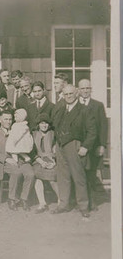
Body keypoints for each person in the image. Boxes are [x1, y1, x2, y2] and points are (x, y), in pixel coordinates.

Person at [52, 84, 96, 218]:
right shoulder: (61, 109)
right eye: (66, 94)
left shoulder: (84, 110)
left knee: (79, 177)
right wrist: (55, 143)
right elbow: (56, 127)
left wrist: (85, 147)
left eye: (71, 93)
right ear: (63, 95)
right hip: (60, 145)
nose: (69, 96)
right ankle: (63, 204)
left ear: (76, 93)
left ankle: (83, 206)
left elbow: (92, 131)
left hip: (74, 145)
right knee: (62, 176)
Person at [0, 111, 35, 211]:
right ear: (0, 120)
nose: (8, 122)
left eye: (10, 119)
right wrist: (7, 159)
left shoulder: (18, 129)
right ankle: (12, 198)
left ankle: (24, 199)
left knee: (31, 174)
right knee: (16, 172)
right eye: (6, 119)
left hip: (21, 159)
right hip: (6, 162)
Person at [78, 79, 108, 210]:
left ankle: (92, 202)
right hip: (79, 146)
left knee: (91, 174)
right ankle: (80, 201)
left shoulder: (98, 105)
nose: (85, 91)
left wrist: (102, 145)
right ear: (78, 90)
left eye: (87, 88)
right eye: (82, 88)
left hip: (93, 146)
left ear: (91, 89)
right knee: (80, 174)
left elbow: (103, 127)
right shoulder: (75, 104)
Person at [31, 114, 59, 213]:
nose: (44, 125)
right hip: (38, 160)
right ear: (38, 124)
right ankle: (42, 203)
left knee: (52, 176)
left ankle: (61, 201)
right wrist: (40, 161)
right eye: (42, 123)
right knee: (37, 176)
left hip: (52, 160)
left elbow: (57, 149)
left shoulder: (53, 134)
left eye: (46, 123)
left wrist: (54, 161)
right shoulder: (33, 134)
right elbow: (32, 151)